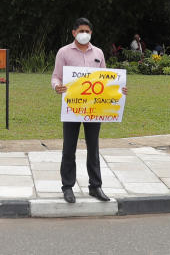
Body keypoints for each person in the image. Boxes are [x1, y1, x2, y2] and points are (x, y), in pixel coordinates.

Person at [51, 17, 127, 203]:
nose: (84, 34)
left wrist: (118, 89)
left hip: (95, 107)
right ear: (74, 32)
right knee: (69, 147)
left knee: (93, 147)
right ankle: (67, 186)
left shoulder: (98, 53)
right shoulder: (64, 52)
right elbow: (55, 77)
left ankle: (96, 186)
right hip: (72, 107)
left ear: (91, 33)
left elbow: (106, 79)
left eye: (87, 31)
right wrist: (57, 87)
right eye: (81, 30)